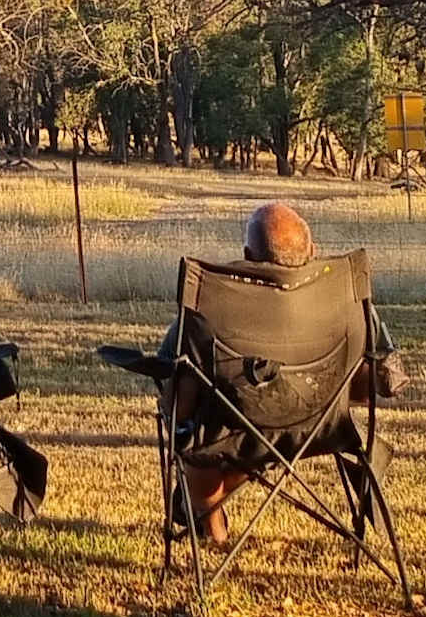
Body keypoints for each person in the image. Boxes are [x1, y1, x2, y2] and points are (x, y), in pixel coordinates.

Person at [98, 199, 405, 543]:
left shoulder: (210, 302)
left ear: (247, 253)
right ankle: (216, 508)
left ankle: (212, 528)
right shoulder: (347, 299)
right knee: (256, 421)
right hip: (322, 430)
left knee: (192, 431)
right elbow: (378, 385)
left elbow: (178, 404)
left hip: (237, 434)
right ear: (313, 249)